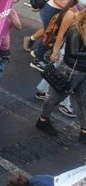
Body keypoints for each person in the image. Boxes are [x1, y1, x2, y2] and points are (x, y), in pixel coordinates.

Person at [35, 10, 86, 141]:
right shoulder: (75, 30)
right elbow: (73, 52)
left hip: (81, 71)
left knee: (83, 100)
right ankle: (43, 120)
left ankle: (84, 131)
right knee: (56, 97)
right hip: (70, 71)